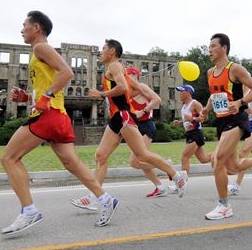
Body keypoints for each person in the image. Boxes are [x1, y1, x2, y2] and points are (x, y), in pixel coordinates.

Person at [0, 11, 117, 235]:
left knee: (9, 158)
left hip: (49, 115)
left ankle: (29, 210)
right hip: (59, 115)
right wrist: (28, 98)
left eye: (25, 25)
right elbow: (51, 83)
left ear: (37, 28)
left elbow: (67, 72)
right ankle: (105, 199)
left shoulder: (40, 47)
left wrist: (45, 97)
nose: (22, 29)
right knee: (72, 163)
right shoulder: (41, 52)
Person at [70, 39, 188, 211]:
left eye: (103, 49)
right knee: (101, 156)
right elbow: (134, 87)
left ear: (112, 51)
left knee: (142, 155)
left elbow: (124, 88)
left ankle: (177, 176)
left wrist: (101, 94)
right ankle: (96, 197)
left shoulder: (114, 66)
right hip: (116, 118)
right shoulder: (118, 69)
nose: (101, 52)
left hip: (123, 116)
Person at [199, 33, 252, 220]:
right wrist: (206, 110)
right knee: (232, 167)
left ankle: (224, 206)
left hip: (236, 120)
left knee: (216, 161)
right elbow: (214, 95)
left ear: (224, 48)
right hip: (221, 121)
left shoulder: (235, 69)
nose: (209, 49)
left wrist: (241, 102)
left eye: (213, 46)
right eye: (208, 46)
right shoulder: (210, 73)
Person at [124, 66, 170, 198]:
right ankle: (160, 186)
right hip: (136, 128)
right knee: (140, 162)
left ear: (135, 74)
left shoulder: (141, 86)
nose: (126, 77)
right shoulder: (128, 91)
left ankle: (166, 166)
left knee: (135, 161)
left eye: (128, 75)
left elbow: (157, 100)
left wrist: (143, 111)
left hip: (146, 126)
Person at [172, 84, 212, 177]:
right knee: (203, 159)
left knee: (184, 157)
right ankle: (222, 155)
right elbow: (188, 119)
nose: (180, 94)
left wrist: (192, 119)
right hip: (190, 133)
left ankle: (182, 183)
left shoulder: (195, 103)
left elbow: (204, 118)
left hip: (196, 133)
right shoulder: (184, 106)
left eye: (182, 91)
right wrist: (180, 122)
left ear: (188, 92)